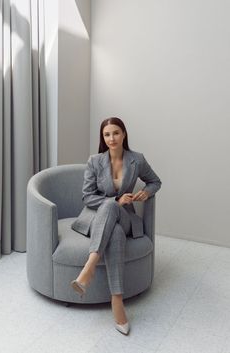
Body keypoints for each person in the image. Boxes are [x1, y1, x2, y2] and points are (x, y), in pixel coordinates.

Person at [71, 117, 161, 335]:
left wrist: (146, 192)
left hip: (127, 217)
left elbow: (155, 181)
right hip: (97, 218)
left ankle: (89, 267)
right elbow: (87, 197)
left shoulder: (136, 160)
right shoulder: (95, 161)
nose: (112, 138)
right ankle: (117, 301)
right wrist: (113, 201)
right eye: (107, 134)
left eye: (116, 133)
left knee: (114, 211)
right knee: (115, 229)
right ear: (103, 138)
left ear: (124, 134)